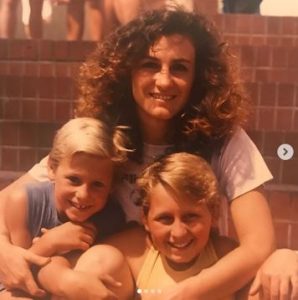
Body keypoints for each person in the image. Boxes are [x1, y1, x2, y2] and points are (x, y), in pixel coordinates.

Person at [0, 8, 297, 300]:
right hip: (107, 276)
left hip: (189, 274)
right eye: (150, 65)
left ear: (199, 76)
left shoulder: (223, 138)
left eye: (179, 67)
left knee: (283, 279)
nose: (164, 81)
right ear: (126, 70)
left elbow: (258, 245)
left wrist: (184, 293)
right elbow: (7, 202)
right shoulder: (103, 136)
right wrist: (5, 252)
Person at [36, 152, 238, 299]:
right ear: (145, 219)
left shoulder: (226, 255)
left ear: (213, 214)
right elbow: (49, 267)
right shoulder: (139, 250)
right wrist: (67, 281)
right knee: (100, 260)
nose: (178, 233)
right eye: (165, 219)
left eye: (190, 217)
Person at [0, 117, 129, 299]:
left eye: (97, 184)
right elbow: (18, 275)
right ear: (52, 168)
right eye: (74, 180)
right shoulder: (24, 201)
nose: (83, 194)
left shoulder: (111, 215)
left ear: (112, 185)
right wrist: (50, 243)